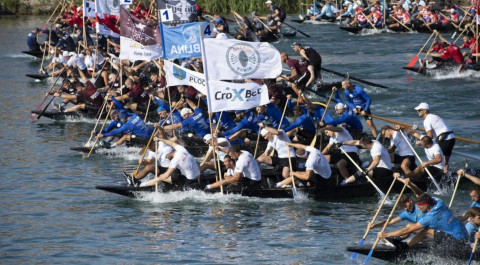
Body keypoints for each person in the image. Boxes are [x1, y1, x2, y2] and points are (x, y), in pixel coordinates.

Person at [378, 193, 469, 249]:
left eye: (420, 206)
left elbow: (407, 230)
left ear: (426, 205)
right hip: (464, 234)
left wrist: (387, 234)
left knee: (425, 231)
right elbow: (426, 196)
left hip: (456, 241)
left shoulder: (430, 217)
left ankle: (405, 247)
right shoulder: (438, 201)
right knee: (428, 229)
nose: (419, 208)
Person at [369, 175, 424, 243]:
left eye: (405, 206)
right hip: (423, 232)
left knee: (410, 226)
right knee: (409, 228)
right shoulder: (406, 213)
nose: (405, 208)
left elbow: (418, 192)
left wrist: (408, 183)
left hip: (435, 231)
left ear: (410, 200)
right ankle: (395, 240)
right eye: (403, 207)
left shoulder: (421, 204)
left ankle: (401, 242)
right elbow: (389, 222)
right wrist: (374, 226)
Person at [414, 102, 455, 174]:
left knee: (438, 163)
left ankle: (440, 178)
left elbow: (429, 137)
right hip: (451, 138)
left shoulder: (426, 120)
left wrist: (420, 143)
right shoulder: (434, 116)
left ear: (425, 111)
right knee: (445, 163)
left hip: (444, 140)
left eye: (419, 110)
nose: (418, 112)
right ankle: (447, 175)